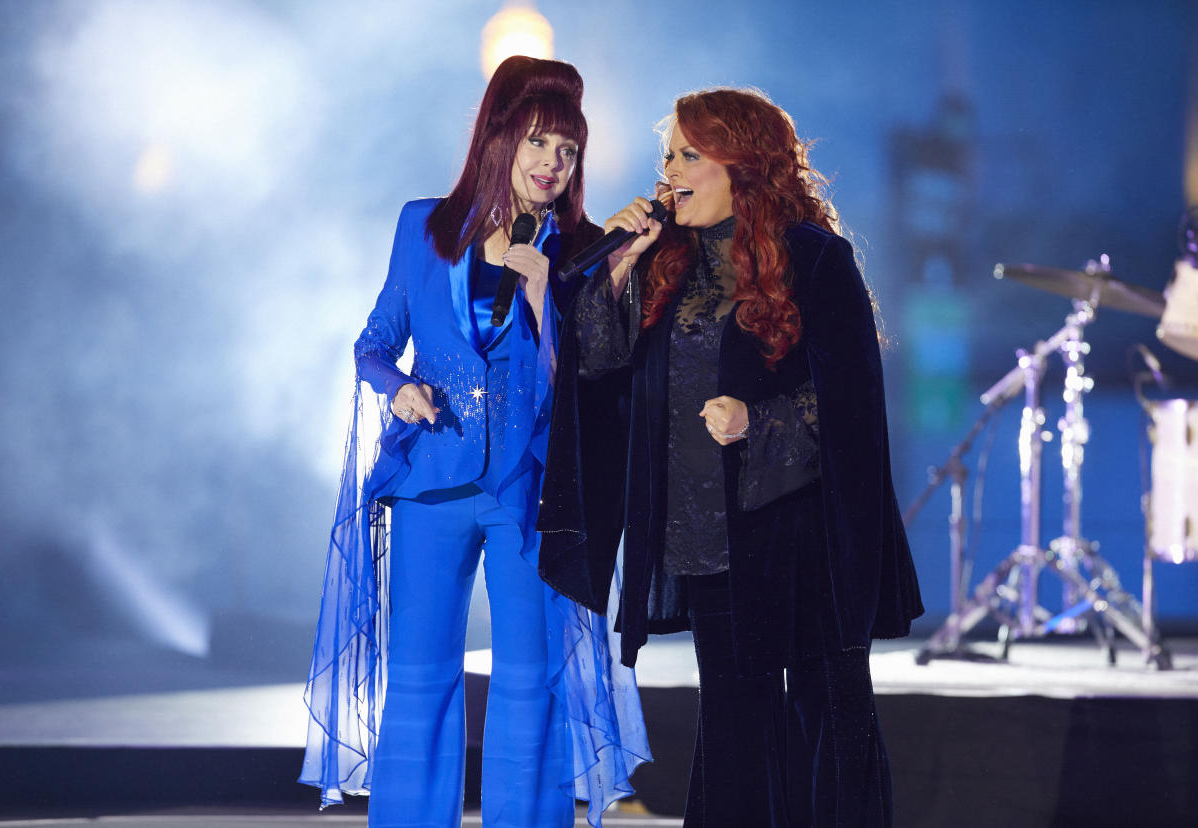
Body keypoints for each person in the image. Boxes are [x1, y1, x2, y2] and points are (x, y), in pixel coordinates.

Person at [538, 87, 924, 827]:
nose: (669, 170)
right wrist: (618, 269)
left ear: (740, 164)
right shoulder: (663, 262)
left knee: (827, 716)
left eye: (688, 153)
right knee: (734, 725)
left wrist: (760, 420)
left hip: (804, 534)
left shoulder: (816, 259)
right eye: (667, 155)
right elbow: (599, 368)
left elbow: (851, 407)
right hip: (706, 536)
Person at [300, 56, 649, 828]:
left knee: (532, 681)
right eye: (538, 143)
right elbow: (372, 344)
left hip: (532, 490)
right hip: (432, 482)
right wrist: (402, 388)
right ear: (499, 139)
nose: (553, 164)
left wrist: (542, 294)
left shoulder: (584, 249)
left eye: (568, 149)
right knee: (421, 678)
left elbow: (591, 384)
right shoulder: (425, 227)